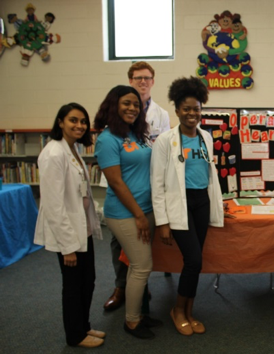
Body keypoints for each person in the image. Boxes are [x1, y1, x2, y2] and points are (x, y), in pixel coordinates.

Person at [151, 76, 223, 336]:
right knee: (193, 260)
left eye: (196, 109)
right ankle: (177, 310)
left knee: (197, 261)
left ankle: (189, 312)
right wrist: (162, 222)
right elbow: (157, 183)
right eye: (187, 109)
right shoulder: (165, 141)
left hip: (201, 202)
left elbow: (209, 175)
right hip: (178, 205)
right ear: (177, 110)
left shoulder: (206, 137)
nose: (192, 113)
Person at [34, 103, 105, 348]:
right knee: (74, 286)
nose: (79, 125)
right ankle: (75, 336)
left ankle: (84, 327)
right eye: (73, 120)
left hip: (80, 228)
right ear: (61, 122)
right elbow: (53, 205)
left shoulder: (72, 148)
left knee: (88, 280)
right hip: (67, 235)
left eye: (83, 121)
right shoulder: (53, 153)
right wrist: (67, 248)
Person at [94, 85, 161, 339]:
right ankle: (132, 321)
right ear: (114, 105)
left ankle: (140, 314)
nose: (132, 108)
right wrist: (139, 215)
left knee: (138, 266)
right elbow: (116, 182)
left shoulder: (136, 134)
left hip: (146, 209)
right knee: (141, 266)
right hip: (125, 213)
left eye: (136, 104)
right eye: (126, 103)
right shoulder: (107, 139)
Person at [103, 61, 171, 312]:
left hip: (147, 187)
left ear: (153, 81)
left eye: (147, 77)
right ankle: (121, 286)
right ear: (130, 80)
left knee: (143, 249)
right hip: (124, 194)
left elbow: (163, 149)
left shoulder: (160, 115)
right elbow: (116, 178)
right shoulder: (113, 130)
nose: (143, 81)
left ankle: (138, 287)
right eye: (138, 77)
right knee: (120, 243)